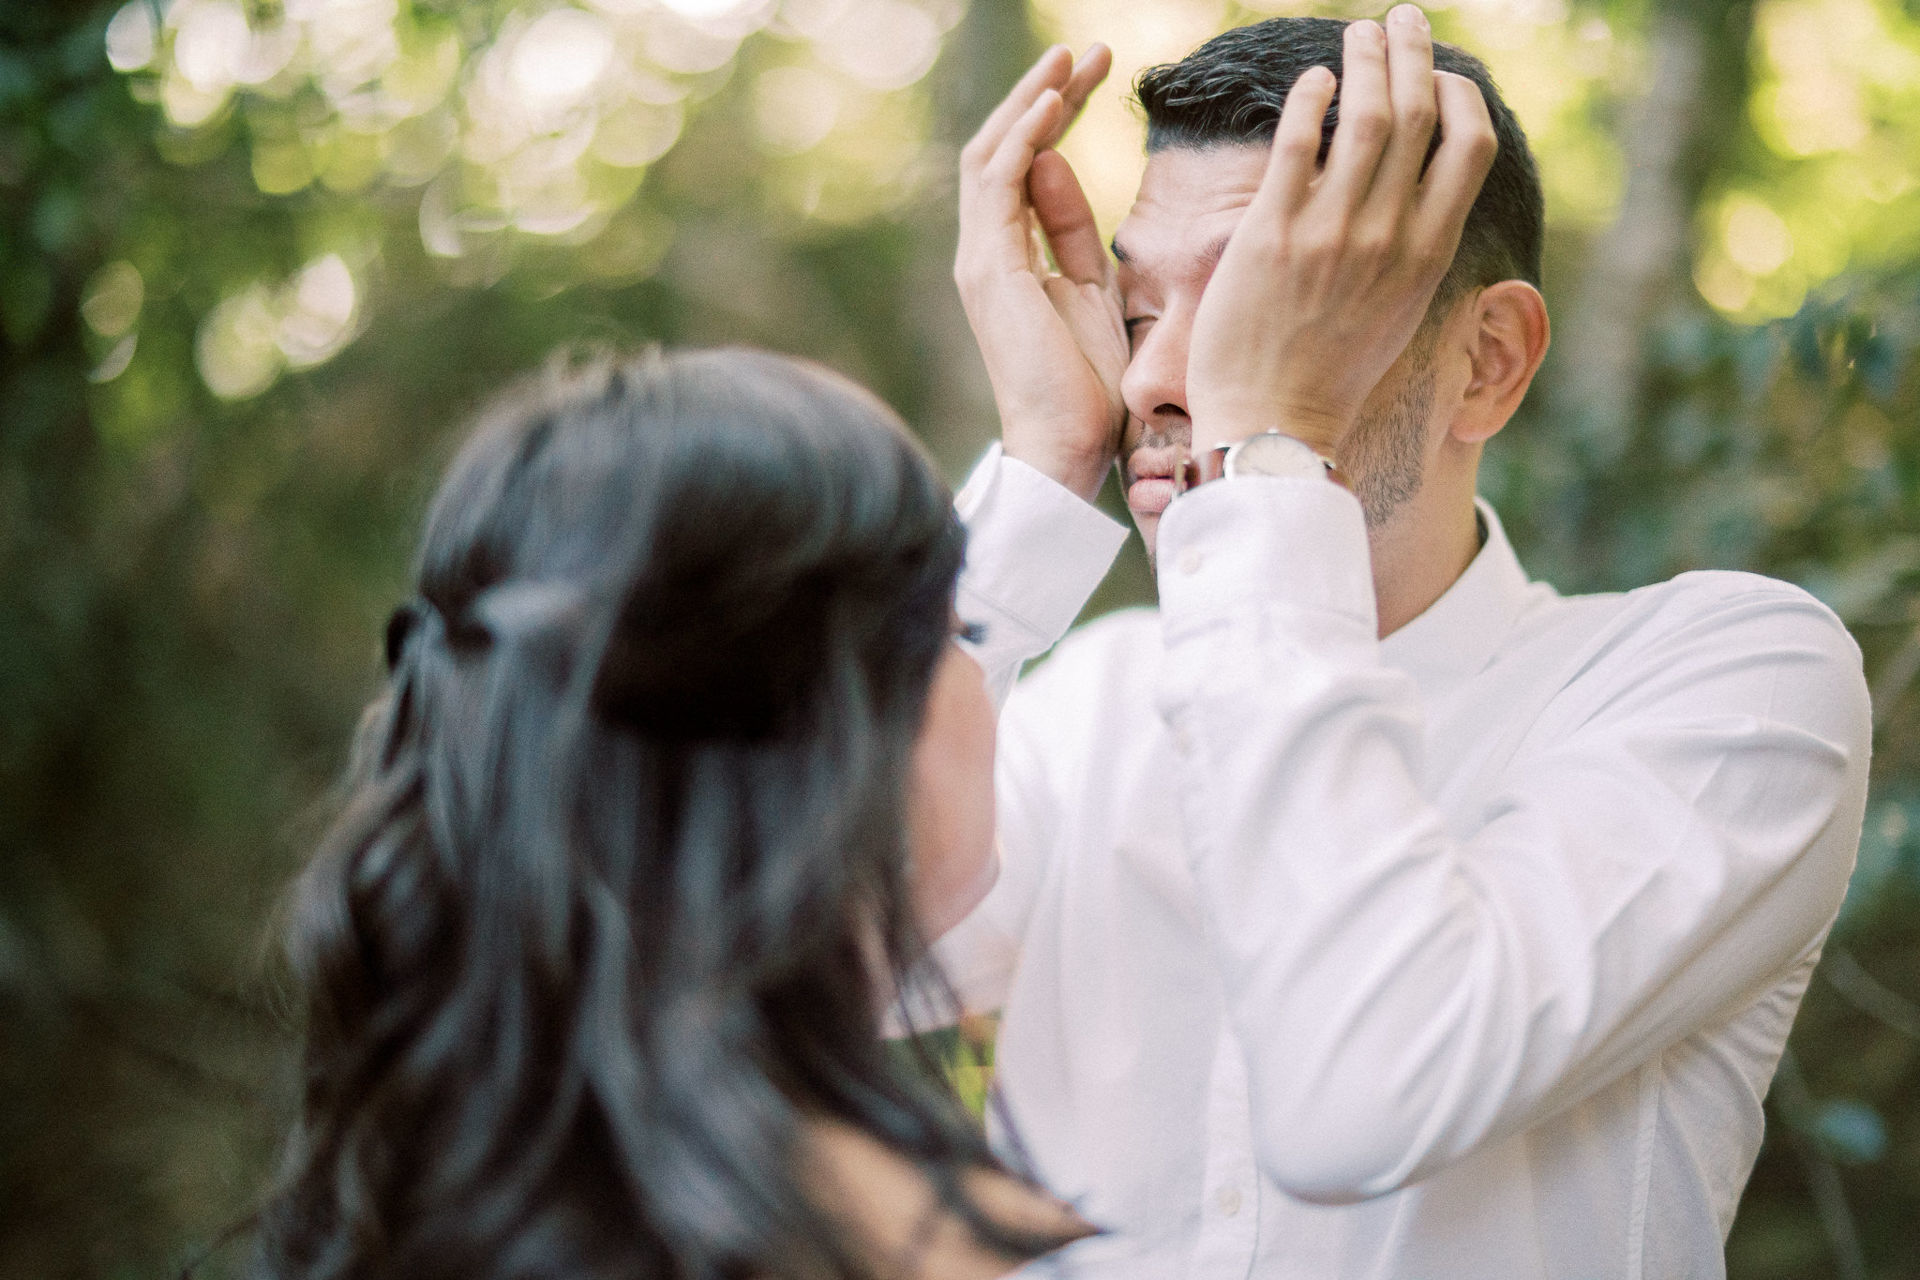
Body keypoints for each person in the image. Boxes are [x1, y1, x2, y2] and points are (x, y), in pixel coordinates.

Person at [940, 7, 1873, 1278]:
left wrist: (1268, 442)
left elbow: (1365, 1089)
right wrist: (1038, 476)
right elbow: (791, 945)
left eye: (1262, 304)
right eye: (1139, 308)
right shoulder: (1080, 706)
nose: (1152, 375)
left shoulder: (1730, 676)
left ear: (1487, 362)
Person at [248, 348, 1091, 1280]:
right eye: (958, 633)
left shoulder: (439, 1182)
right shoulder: (896, 1247)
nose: (984, 674)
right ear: (841, 748)